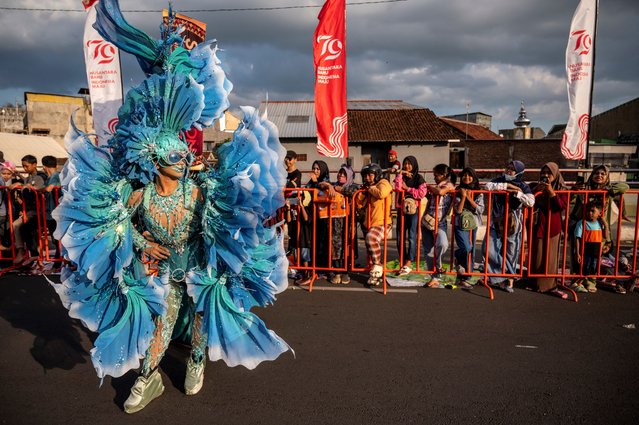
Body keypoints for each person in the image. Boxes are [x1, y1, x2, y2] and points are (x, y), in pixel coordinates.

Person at [51, 0, 290, 414]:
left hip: (197, 264)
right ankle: (148, 380)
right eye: (175, 157)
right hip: (160, 271)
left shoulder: (198, 191)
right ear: (156, 160)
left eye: (184, 155)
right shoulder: (138, 194)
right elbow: (118, 224)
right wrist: (141, 242)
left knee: (200, 318)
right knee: (162, 323)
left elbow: (227, 218)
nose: (183, 160)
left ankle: (196, 361)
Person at [482, 160, 535, 293]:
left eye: (512, 169)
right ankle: (504, 275)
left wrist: (517, 193)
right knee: (488, 249)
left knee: (511, 252)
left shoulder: (523, 185)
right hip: (496, 221)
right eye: (508, 168)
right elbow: (487, 186)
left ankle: (508, 280)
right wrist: (508, 186)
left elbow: (530, 201)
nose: (509, 171)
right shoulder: (499, 180)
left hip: (513, 224)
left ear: (519, 172)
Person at [529, 162, 569, 298]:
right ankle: (534, 282)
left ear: (556, 174)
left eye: (549, 173)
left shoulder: (561, 188)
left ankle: (548, 285)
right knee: (538, 254)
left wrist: (551, 191)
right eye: (543, 173)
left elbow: (560, 206)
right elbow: (529, 201)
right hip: (538, 225)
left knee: (550, 256)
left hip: (553, 226)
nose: (546, 175)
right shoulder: (536, 186)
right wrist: (537, 190)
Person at [318, 164, 359, 284]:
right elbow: (320, 184)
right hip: (334, 223)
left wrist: (337, 189)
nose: (340, 175)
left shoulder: (354, 186)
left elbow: (352, 192)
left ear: (349, 176)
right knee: (335, 248)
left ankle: (346, 272)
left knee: (347, 247)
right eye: (340, 173)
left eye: (344, 174)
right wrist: (329, 186)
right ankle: (337, 272)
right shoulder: (333, 185)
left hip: (348, 222)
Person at [356, 163, 392, 286]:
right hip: (369, 223)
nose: (367, 178)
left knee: (371, 239)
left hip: (383, 222)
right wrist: (361, 193)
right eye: (365, 176)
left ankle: (378, 265)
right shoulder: (367, 188)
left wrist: (369, 189)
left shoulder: (383, 183)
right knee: (370, 249)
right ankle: (375, 274)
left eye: (370, 175)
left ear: (376, 175)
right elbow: (359, 205)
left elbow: (382, 193)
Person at [422, 164, 456, 288]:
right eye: (434, 175)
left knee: (442, 244)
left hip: (440, 221)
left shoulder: (449, 185)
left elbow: (441, 192)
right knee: (428, 250)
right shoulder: (436, 186)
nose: (435, 177)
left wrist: (430, 187)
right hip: (427, 220)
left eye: (437, 175)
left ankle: (439, 266)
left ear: (444, 175)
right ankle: (434, 277)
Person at [394, 156, 427, 277]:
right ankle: (402, 260)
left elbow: (422, 193)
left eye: (409, 164)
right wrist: (400, 174)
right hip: (401, 209)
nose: (407, 166)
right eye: (405, 164)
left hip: (413, 211)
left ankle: (409, 261)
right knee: (399, 236)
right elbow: (397, 188)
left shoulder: (419, 178)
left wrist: (408, 189)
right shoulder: (401, 176)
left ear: (414, 165)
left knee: (412, 236)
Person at [9, 154, 45, 264]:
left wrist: (25, 186)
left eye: (26, 166)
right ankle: (25, 252)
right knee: (21, 227)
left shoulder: (40, 176)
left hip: (37, 210)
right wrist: (20, 180)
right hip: (28, 210)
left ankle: (31, 255)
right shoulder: (29, 177)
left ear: (34, 165)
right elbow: (27, 183)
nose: (25, 168)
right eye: (23, 166)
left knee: (26, 228)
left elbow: (38, 189)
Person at [453, 167, 484, 289]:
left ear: (474, 177)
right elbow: (458, 210)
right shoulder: (457, 190)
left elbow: (480, 209)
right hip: (460, 224)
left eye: (469, 175)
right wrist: (464, 196)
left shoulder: (479, 191)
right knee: (467, 247)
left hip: (473, 223)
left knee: (471, 251)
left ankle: (467, 276)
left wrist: (470, 197)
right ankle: (457, 255)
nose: (466, 178)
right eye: (464, 175)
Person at [574, 201, 606, 293]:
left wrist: (606, 224)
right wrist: (578, 253)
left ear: (599, 213)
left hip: (596, 251)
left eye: (592, 211)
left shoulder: (600, 223)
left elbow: (605, 236)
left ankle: (590, 283)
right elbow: (577, 238)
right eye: (588, 211)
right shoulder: (582, 223)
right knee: (585, 267)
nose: (589, 213)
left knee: (594, 267)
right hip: (586, 250)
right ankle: (579, 282)